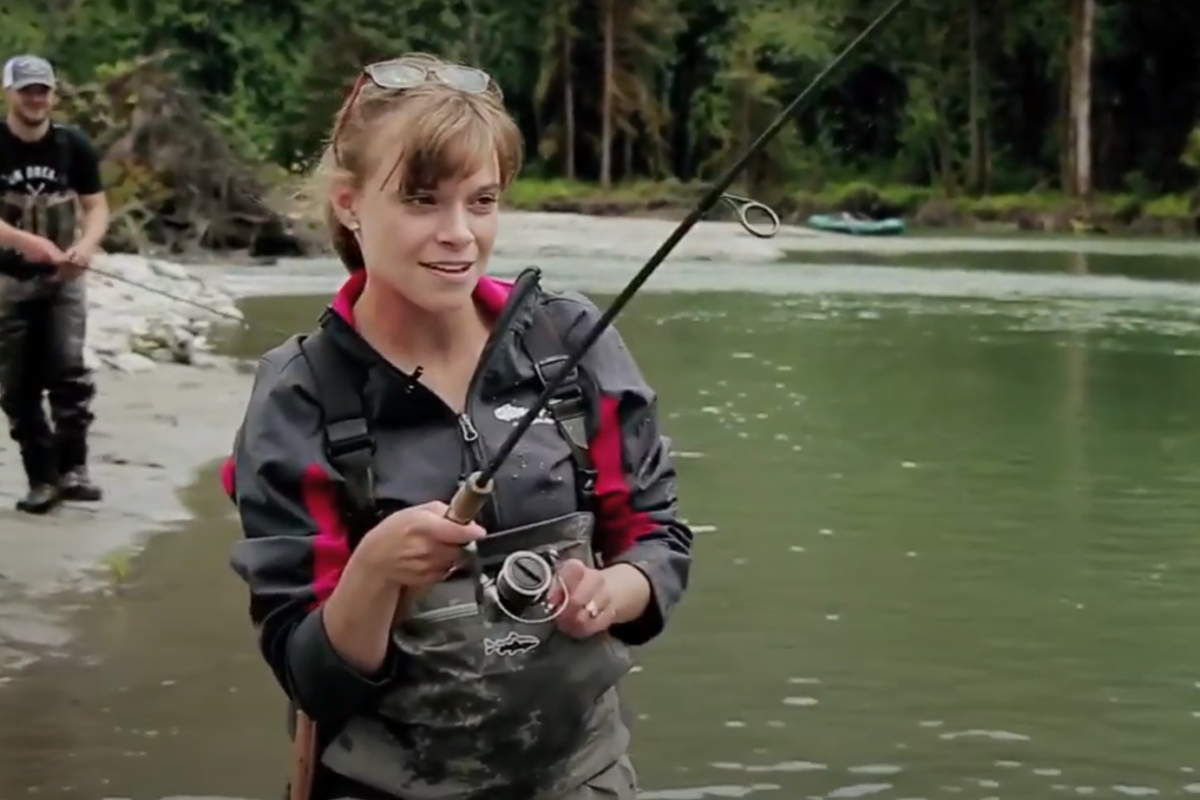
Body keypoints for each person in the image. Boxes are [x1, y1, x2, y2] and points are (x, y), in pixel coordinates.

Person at [224, 53, 693, 800]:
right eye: (422, 201)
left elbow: (657, 535)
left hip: (583, 777)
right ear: (350, 203)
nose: (459, 235)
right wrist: (375, 572)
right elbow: (308, 675)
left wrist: (618, 589)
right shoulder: (298, 395)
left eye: (482, 201)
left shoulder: (569, 341)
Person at [0, 54, 109, 513]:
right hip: (8, 283)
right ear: (9, 92)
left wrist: (86, 246)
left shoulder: (72, 144)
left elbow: (96, 207)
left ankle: (73, 471)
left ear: (53, 94)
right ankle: (40, 480)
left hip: (65, 280)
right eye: (26, 90)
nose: (35, 98)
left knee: (69, 373)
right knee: (18, 388)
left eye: (42, 90)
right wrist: (28, 242)